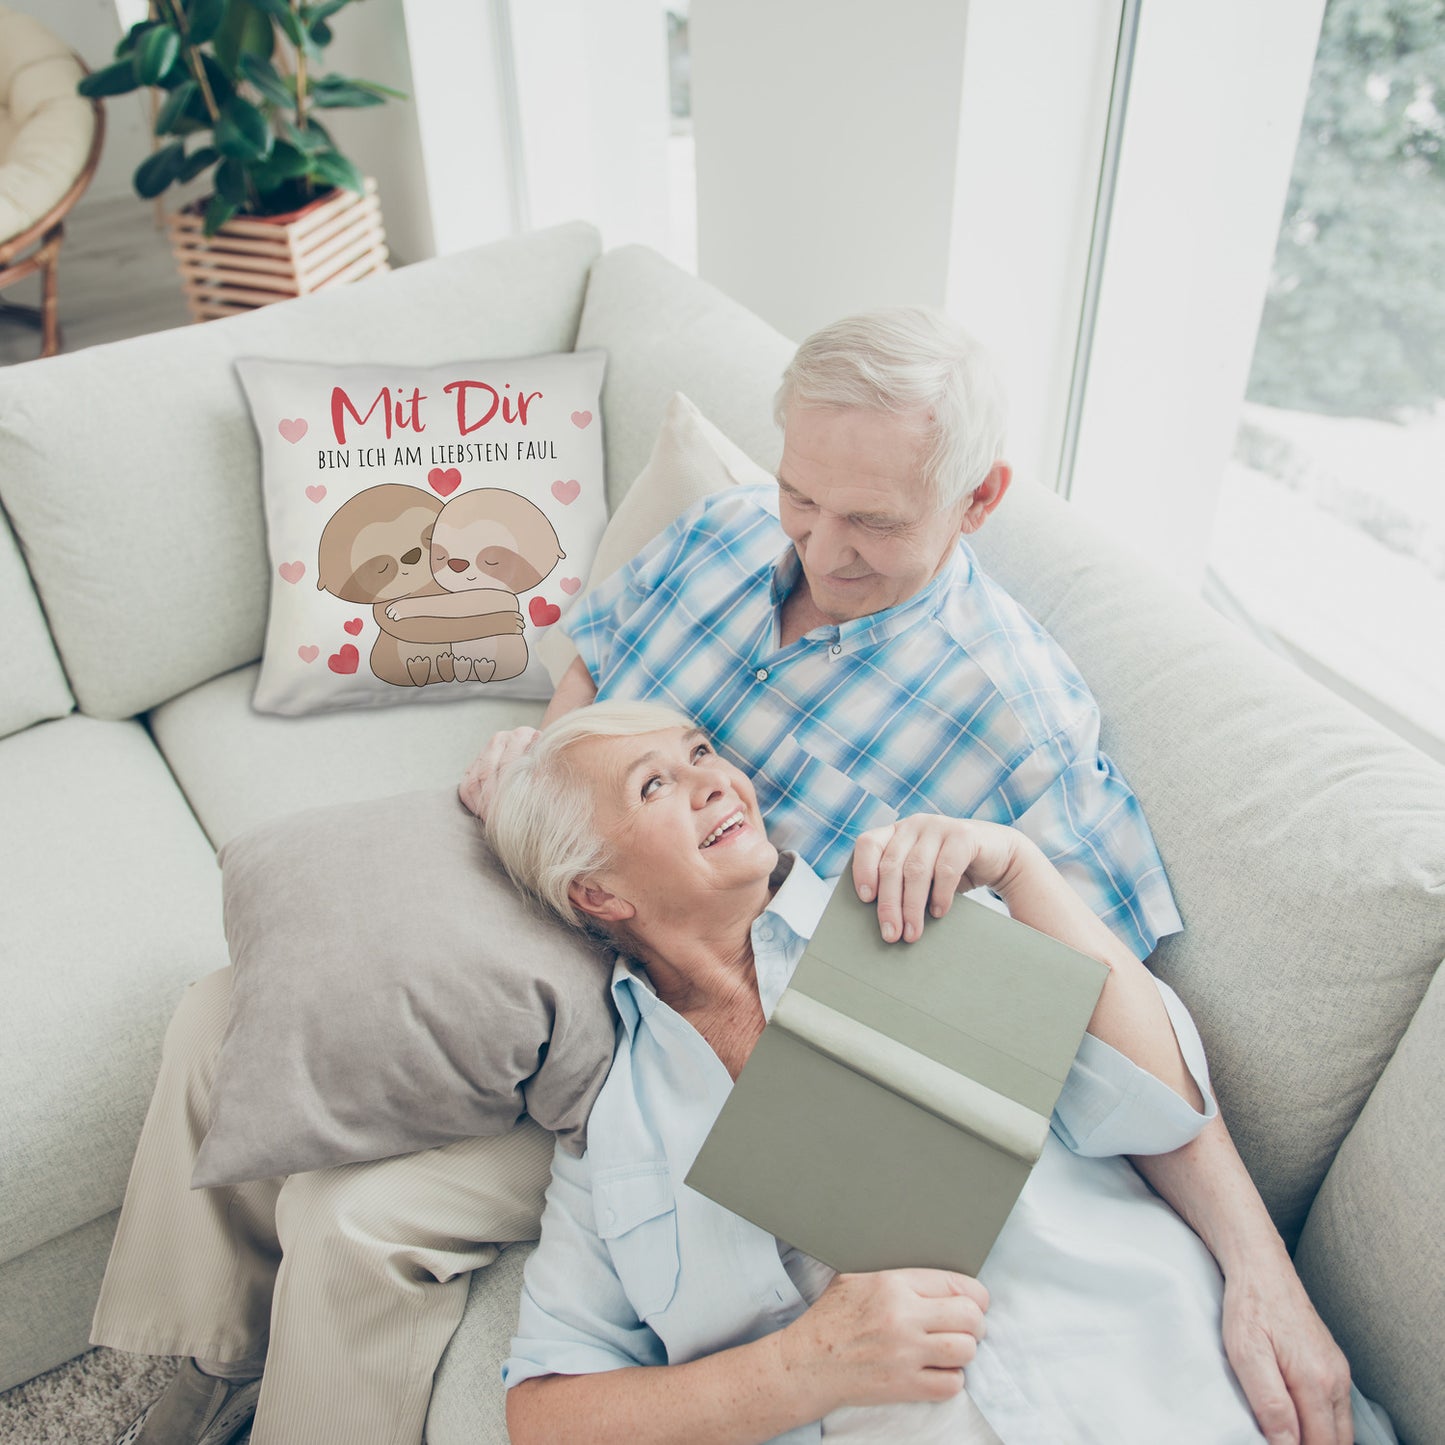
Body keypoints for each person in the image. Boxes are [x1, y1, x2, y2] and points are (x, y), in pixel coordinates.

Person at [94, 309, 1349, 1445]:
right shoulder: (725, 532)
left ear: (976, 501)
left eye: (871, 520)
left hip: (694, 1011)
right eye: (804, 495)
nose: (819, 544)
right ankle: (193, 1362)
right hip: (580, 886)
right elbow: (594, 663)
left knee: (355, 1219)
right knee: (229, 1007)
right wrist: (546, 764)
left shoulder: (1017, 725)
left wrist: (1259, 1266)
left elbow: (1102, 1019)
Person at [486, 701, 1386, 1445]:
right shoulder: (615, 1131)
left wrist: (1021, 869)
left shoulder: (909, 908)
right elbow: (545, 1414)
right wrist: (803, 1366)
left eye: (700, 752)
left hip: (1173, 1394)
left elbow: (1158, 1106)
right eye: (655, 784)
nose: (715, 779)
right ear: (597, 893)